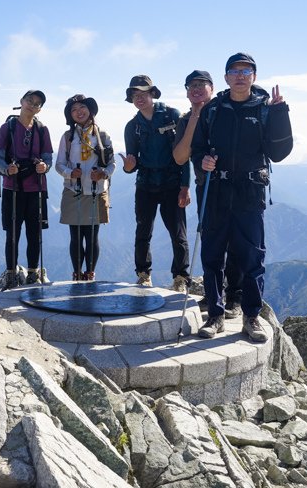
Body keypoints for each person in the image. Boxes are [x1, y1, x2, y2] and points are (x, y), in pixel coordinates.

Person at [191, 53, 293, 342]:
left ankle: (251, 317)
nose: (240, 75)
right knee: (212, 256)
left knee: (252, 257)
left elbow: (280, 152)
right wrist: (203, 162)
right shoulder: (213, 109)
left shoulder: (265, 108)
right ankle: (215, 316)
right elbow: (198, 148)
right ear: (225, 77)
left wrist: (280, 112)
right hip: (218, 192)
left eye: (246, 71)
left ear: (254, 77)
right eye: (234, 71)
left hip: (250, 193)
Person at [173, 70, 243, 319]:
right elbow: (180, 157)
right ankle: (214, 296)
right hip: (207, 187)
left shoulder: (224, 110)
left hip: (233, 187)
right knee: (212, 244)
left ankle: (235, 297)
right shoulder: (184, 120)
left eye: (202, 84)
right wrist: (194, 118)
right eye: (191, 85)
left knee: (236, 243)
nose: (197, 89)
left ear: (213, 87)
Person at [121, 75, 190, 290]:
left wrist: (185, 186)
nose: (138, 98)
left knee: (178, 233)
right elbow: (131, 162)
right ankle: (143, 274)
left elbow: (184, 154)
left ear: (152, 93)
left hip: (171, 184)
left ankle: (180, 278)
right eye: (134, 95)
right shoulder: (132, 127)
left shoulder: (173, 115)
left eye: (143, 93)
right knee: (143, 232)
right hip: (145, 185)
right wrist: (127, 168)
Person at [0, 90, 53, 289]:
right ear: (21, 101)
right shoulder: (7, 128)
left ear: (40, 109)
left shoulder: (42, 130)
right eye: (30, 101)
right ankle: (11, 273)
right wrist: (6, 169)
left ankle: (33, 273)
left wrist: (45, 167)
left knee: (34, 234)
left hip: (35, 188)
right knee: (13, 233)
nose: (32, 105)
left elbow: (48, 159)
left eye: (37, 104)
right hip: (14, 188)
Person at [55, 94, 115, 281]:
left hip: (96, 191)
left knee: (92, 236)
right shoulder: (68, 137)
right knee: (76, 235)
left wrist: (103, 173)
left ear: (90, 110)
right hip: (74, 190)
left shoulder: (103, 136)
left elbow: (112, 164)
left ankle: (89, 274)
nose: (78, 112)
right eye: (74, 109)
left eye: (82, 108)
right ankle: (77, 273)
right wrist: (70, 173)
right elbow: (59, 164)